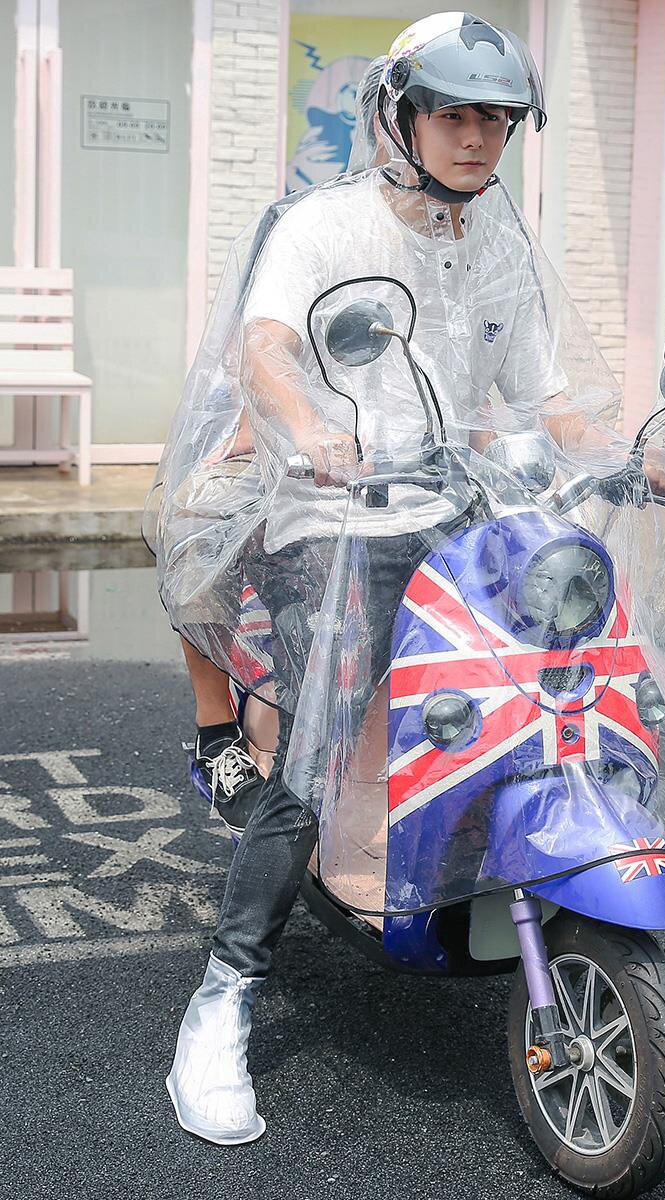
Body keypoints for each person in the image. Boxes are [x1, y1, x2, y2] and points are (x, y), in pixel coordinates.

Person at [163, 12, 665, 1144]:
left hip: (459, 517)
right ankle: (225, 993)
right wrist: (311, 426)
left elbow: (549, 399)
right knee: (324, 733)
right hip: (330, 515)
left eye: (495, 116)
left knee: (562, 683)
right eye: (453, 111)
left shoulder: (503, 243)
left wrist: (628, 452)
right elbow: (269, 345)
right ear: (397, 113)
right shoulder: (322, 224)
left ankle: (486, 866)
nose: (478, 135)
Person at [166, 56, 390, 841]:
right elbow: (257, 353)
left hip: (396, 472)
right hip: (296, 453)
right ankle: (215, 731)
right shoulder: (301, 228)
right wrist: (258, 441)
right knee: (194, 533)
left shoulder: (431, 238)